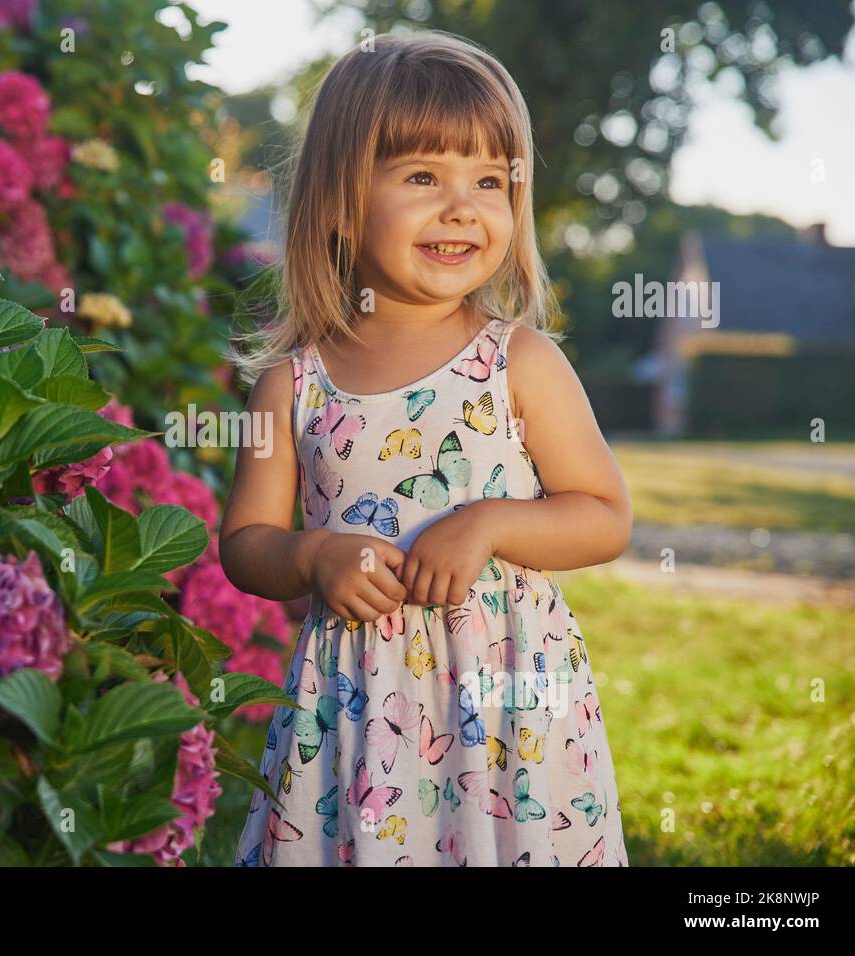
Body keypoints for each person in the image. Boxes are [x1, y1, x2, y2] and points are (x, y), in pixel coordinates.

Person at [223, 30, 632, 866]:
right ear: (341, 201)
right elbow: (246, 545)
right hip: (356, 702)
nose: (462, 207)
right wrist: (313, 556)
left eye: (490, 180)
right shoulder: (294, 385)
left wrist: (489, 524)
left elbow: (603, 516)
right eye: (422, 177)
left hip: (505, 703)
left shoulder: (517, 362)